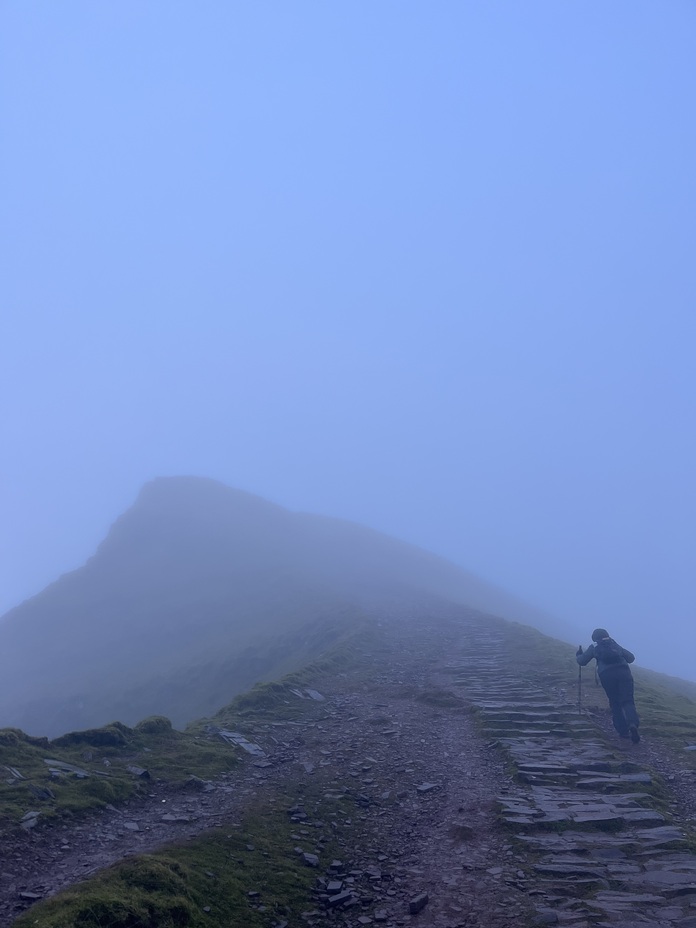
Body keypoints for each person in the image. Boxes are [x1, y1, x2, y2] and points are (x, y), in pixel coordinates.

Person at [576, 628, 640, 743]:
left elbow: (582, 662)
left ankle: (623, 731)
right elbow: (631, 658)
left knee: (615, 702)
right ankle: (632, 724)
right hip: (624, 673)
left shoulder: (594, 647)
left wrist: (578, 655)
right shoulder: (614, 643)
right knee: (628, 701)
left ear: (594, 638)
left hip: (606, 675)